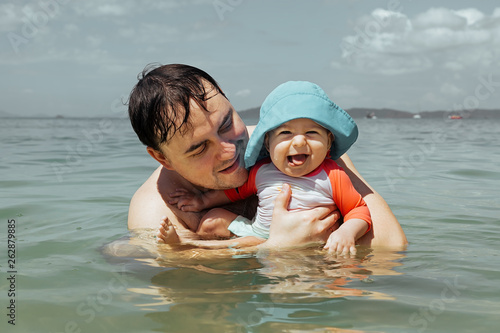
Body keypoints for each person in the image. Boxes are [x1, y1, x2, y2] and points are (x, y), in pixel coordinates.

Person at [127, 63, 408, 250]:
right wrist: (274, 248)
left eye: (227, 124)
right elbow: (179, 282)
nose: (229, 151)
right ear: (162, 158)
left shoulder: (293, 146)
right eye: (199, 148)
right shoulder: (154, 212)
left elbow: (392, 246)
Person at [165, 81, 372, 255]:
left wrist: (346, 233)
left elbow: (359, 211)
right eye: (285, 133)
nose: (299, 142)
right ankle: (193, 246)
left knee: (246, 246)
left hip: (307, 240)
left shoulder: (332, 176)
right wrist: (202, 201)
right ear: (267, 144)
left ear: (328, 142)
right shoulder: (262, 170)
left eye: (311, 133)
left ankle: (190, 248)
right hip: (258, 234)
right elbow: (234, 193)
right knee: (211, 220)